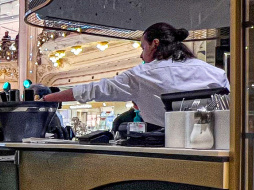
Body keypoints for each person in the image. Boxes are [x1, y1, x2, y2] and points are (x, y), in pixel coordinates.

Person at [42, 23, 229, 127]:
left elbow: (94, 90)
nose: (141, 54)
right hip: (212, 148)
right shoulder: (215, 73)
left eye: (143, 47)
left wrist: (48, 99)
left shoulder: (142, 75)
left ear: (155, 44)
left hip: (164, 150)